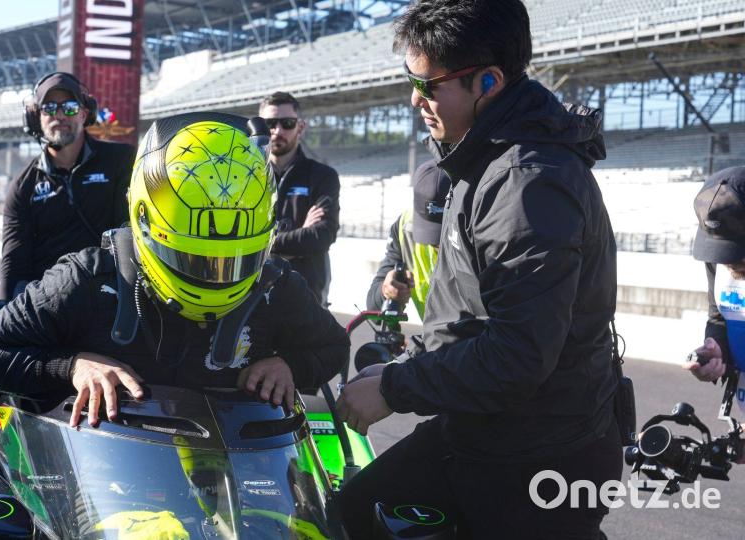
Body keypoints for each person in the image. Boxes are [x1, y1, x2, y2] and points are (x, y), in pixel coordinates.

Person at [335, 1, 622, 538]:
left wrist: (396, 388)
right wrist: (406, 364)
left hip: (540, 460)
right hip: (493, 433)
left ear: (488, 82)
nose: (415, 99)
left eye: (427, 85)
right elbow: (470, 314)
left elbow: (518, 355)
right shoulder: (484, 157)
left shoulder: (526, 183)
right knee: (352, 515)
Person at [0, 112, 349, 429]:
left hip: (226, 481)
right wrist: (71, 366)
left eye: (236, 262)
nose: (215, 277)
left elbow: (334, 347)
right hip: (98, 483)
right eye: (195, 260)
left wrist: (290, 366)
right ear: (145, 224)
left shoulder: (275, 285)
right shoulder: (86, 279)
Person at [1, 72, 136, 300]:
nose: (60, 115)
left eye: (70, 107)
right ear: (35, 117)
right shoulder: (23, 187)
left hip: (112, 301)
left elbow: (132, 236)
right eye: (49, 108)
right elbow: (14, 270)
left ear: (85, 113)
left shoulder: (122, 161)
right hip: (50, 308)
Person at [259, 92, 341, 305]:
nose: (278, 131)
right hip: (253, 297)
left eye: (287, 123)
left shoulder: (322, 176)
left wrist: (264, 244)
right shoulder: (246, 178)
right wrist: (297, 237)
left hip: (306, 298)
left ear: (300, 127)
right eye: (270, 124)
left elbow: (321, 236)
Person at [684, 167, 745, 387]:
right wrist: (718, 350)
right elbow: (719, 316)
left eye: (736, 250)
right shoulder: (719, 258)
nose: (727, 261)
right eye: (721, 250)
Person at [366, 161, 450, 319]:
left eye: (445, 232)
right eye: (430, 231)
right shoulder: (404, 227)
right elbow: (373, 306)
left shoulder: (484, 227)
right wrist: (387, 291)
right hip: (434, 332)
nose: (437, 244)